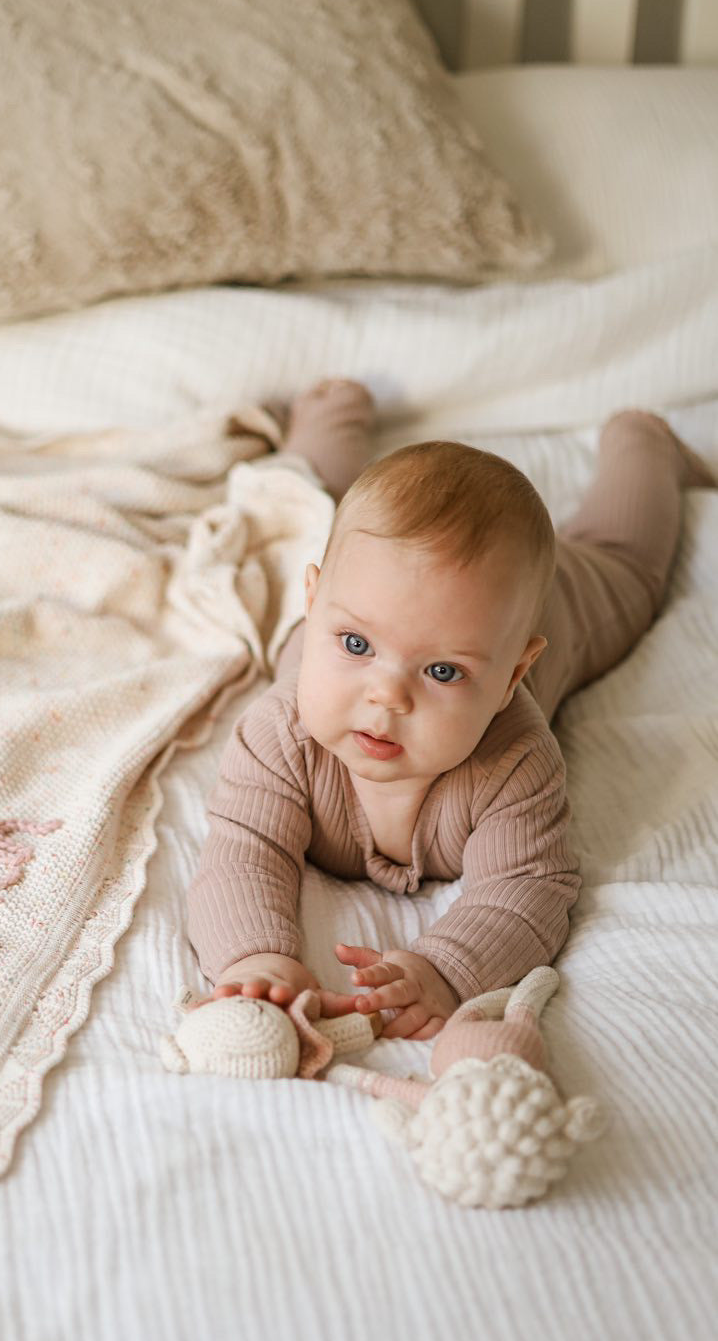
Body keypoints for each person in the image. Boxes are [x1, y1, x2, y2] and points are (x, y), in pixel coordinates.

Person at [184, 378, 716, 1039]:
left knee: (626, 565)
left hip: (558, 602)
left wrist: (445, 968)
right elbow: (243, 850)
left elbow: (527, 889)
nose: (387, 695)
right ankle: (331, 414)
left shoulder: (513, 760)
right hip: (388, 585)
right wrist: (256, 958)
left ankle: (644, 441)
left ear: (513, 675)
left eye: (442, 672)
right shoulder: (281, 732)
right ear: (314, 606)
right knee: (311, 505)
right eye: (355, 644)